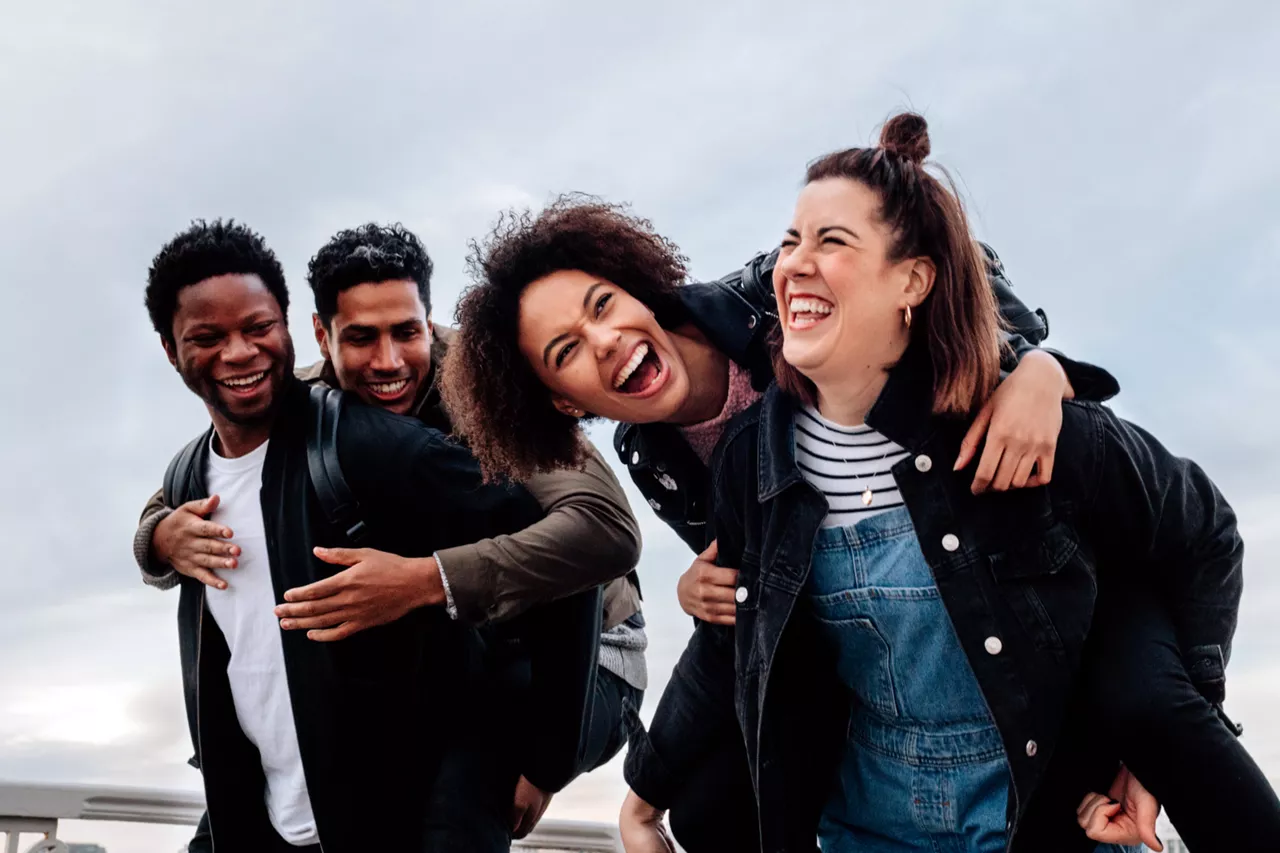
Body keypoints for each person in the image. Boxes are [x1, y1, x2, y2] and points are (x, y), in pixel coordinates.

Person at [619, 113, 1278, 852]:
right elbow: (727, 646)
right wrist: (642, 797)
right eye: (789, 242)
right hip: (867, 828)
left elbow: (1208, 533)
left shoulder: (1030, 430)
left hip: (1044, 822)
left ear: (912, 279)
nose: (795, 263)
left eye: (832, 241)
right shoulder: (755, 462)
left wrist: (1174, 729)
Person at [440, 196, 1117, 851]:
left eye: (604, 305)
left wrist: (1033, 364)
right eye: (567, 352)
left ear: (636, 289)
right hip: (858, 640)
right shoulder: (649, 457)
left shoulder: (768, 288)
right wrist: (698, 587)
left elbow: (956, 258)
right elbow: (754, 580)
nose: (607, 340)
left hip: (977, 571)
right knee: (708, 804)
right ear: (562, 399)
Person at [138, 220, 621, 852]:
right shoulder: (299, 400)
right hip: (466, 641)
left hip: (588, 652)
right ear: (320, 335)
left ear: (429, 319)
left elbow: (597, 535)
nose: (388, 362)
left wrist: (543, 761)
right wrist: (158, 538)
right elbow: (186, 492)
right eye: (361, 337)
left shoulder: (493, 393)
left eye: (406, 332)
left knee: (455, 797)